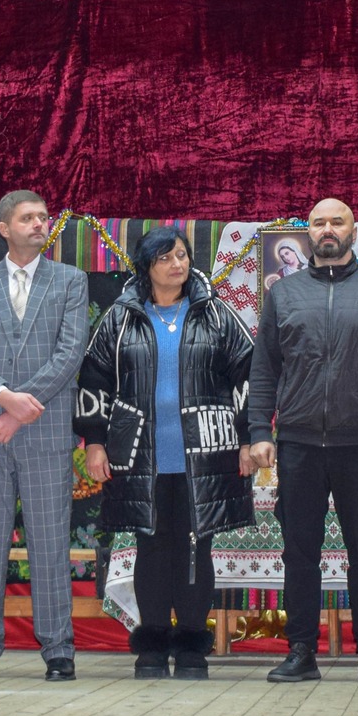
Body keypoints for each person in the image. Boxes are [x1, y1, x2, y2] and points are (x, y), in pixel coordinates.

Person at [246, 198, 358, 685]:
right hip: (298, 443)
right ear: (308, 232)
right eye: (318, 222)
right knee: (298, 551)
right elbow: (264, 369)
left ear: (353, 231)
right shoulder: (284, 294)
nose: (327, 229)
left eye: (337, 221)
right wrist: (260, 430)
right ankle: (301, 650)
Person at [78, 228, 255, 680]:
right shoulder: (121, 317)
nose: (177, 264)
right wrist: (95, 441)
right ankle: (152, 648)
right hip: (140, 456)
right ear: (146, 266)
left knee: (197, 549)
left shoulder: (216, 314)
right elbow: (94, 379)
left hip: (207, 454)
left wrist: (248, 438)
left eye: (181, 255)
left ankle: (193, 648)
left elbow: (249, 375)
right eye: (165, 257)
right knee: (151, 549)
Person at [0, 190, 90, 682]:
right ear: (4, 228)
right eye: (28, 218)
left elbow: (70, 353)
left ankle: (58, 649)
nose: (39, 224)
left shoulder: (70, 281)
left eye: (43, 217)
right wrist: (4, 398)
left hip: (44, 432)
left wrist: (19, 410)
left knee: (49, 545)